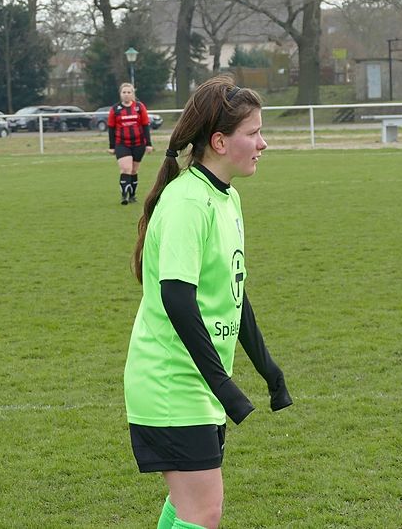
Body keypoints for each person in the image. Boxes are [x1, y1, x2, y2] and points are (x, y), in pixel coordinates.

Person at [124, 75, 293, 529]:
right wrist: (224, 385)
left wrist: (268, 368)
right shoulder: (187, 203)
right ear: (219, 142)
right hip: (172, 381)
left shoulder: (226, 197)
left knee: (191, 507)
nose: (263, 143)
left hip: (197, 382)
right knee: (203, 511)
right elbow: (177, 299)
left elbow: (235, 290)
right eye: (253, 133)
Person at [108, 83, 154, 205]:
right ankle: (124, 196)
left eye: (129, 92)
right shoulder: (115, 109)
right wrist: (111, 146)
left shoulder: (139, 107)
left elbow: (145, 126)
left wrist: (148, 144)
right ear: (120, 94)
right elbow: (111, 128)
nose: (126, 94)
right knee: (126, 168)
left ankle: (132, 196)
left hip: (139, 144)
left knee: (133, 170)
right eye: (124, 92)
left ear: (132, 94)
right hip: (122, 144)